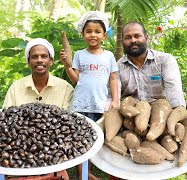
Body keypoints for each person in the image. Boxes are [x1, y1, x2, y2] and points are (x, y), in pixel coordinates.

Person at [3, 38, 74, 179]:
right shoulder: (16, 87)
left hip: (53, 147)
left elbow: (67, 125)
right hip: (20, 146)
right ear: (29, 62)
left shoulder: (65, 88)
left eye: (44, 56)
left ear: (51, 61)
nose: (39, 60)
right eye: (34, 57)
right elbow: (7, 120)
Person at [60, 11, 119, 180]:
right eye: (89, 31)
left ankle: (90, 170)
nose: (93, 34)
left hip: (100, 104)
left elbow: (113, 79)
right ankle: (83, 173)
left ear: (104, 35)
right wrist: (66, 66)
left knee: (96, 140)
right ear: (83, 34)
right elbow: (76, 79)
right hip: (81, 104)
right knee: (82, 140)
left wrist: (115, 100)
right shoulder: (79, 54)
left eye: (97, 31)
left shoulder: (108, 56)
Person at [117, 21, 186, 108]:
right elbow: (113, 97)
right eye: (128, 37)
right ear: (122, 41)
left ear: (147, 38)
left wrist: (177, 111)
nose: (133, 40)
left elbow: (173, 92)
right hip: (130, 114)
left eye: (137, 36)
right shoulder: (117, 67)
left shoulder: (164, 60)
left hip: (161, 112)